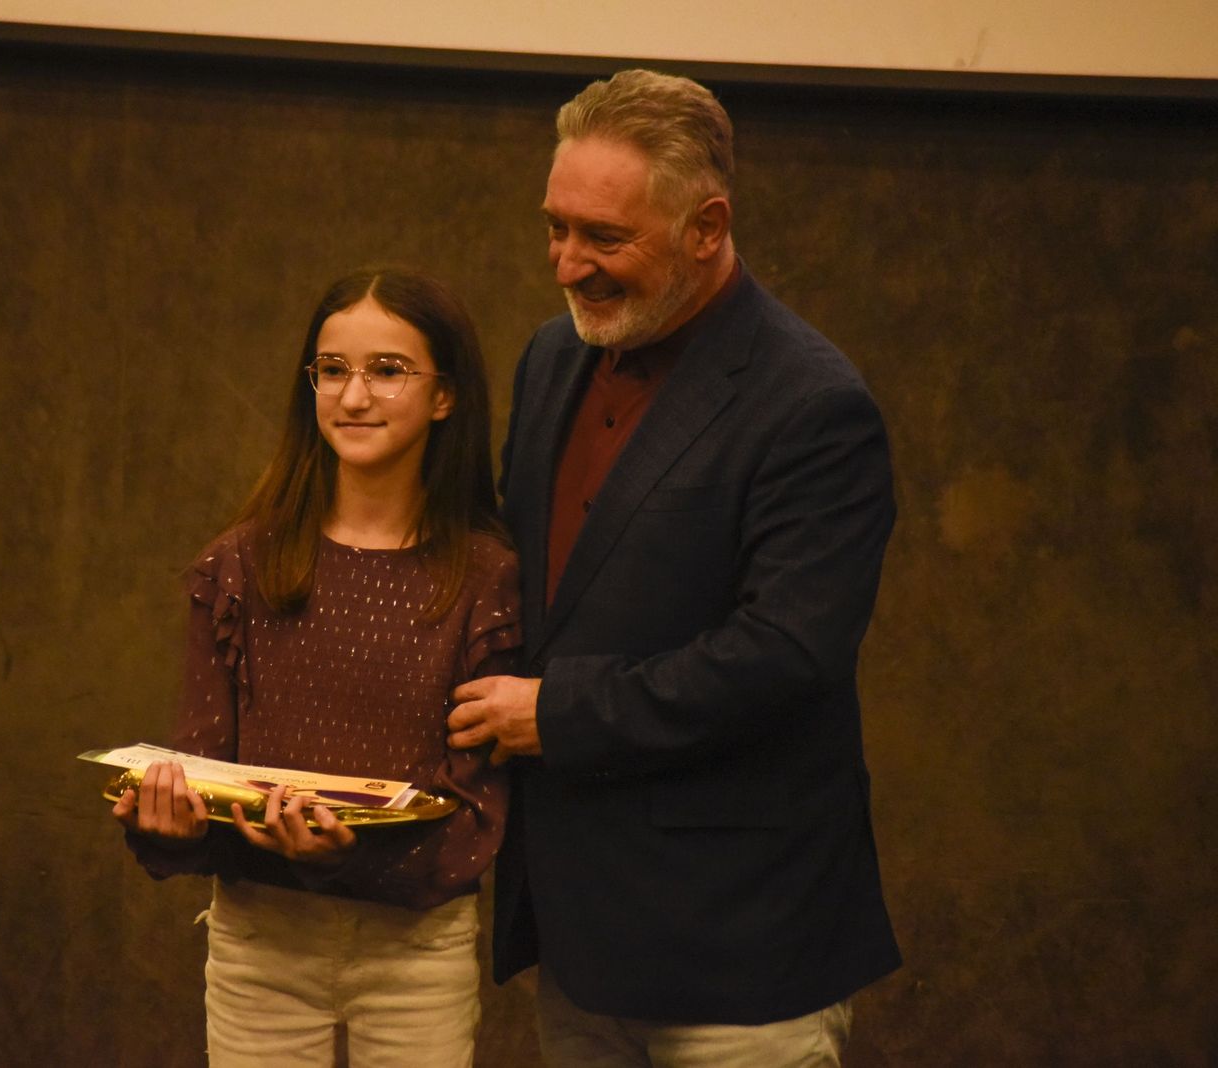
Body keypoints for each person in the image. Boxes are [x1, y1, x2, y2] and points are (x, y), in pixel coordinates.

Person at [446, 69, 901, 1066]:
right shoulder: (549, 359)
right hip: (576, 946)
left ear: (707, 227)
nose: (568, 266)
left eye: (605, 239)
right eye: (555, 228)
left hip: (743, 958)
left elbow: (783, 655)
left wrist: (552, 713)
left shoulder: (811, 405)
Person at [115, 266, 521, 1068]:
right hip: (263, 942)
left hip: (416, 951)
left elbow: (478, 816)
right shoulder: (239, 564)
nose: (354, 396)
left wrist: (352, 853)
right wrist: (170, 822)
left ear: (445, 396)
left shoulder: (487, 577)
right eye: (332, 370)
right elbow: (206, 768)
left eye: (388, 370)